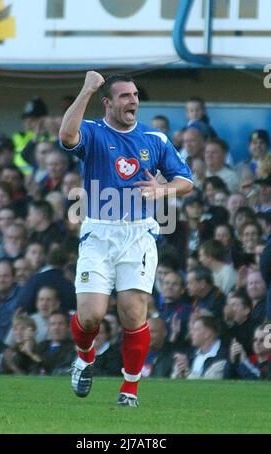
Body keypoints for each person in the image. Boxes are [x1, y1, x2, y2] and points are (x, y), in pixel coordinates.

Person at [59, 71, 193, 407]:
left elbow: (186, 181)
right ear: (108, 103)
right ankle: (84, 358)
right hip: (99, 232)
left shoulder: (154, 138)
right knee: (90, 315)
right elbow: (66, 135)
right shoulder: (92, 131)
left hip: (138, 234)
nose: (132, 101)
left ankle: (129, 389)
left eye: (134, 95)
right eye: (124, 96)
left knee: (133, 314)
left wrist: (162, 188)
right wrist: (87, 89)